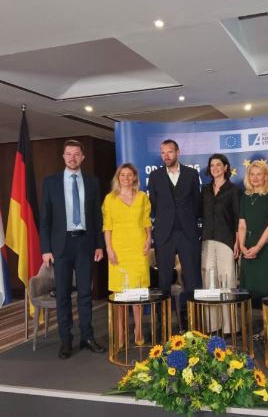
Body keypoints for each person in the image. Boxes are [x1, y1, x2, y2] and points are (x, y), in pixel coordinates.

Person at [40, 139, 105, 359]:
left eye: (76, 154)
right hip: (61, 245)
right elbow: (45, 218)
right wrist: (46, 249)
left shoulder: (92, 182)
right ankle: (66, 341)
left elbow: (96, 216)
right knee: (63, 295)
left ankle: (87, 337)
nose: (72, 158)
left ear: (82, 157)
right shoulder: (51, 182)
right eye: (68, 154)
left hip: (85, 243)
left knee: (85, 293)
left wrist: (99, 244)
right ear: (63, 156)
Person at [148, 139, 202, 327]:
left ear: (177, 152)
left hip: (188, 232)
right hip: (164, 233)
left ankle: (192, 320)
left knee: (192, 278)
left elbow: (196, 202)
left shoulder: (191, 174)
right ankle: (162, 323)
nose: (166, 156)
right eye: (163, 153)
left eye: (169, 152)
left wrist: (187, 219)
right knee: (163, 279)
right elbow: (154, 205)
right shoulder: (155, 176)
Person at [102, 163, 151, 347]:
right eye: (122, 175)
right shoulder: (110, 199)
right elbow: (107, 226)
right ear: (118, 178)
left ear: (135, 177)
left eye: (129, 175)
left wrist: (149, 239)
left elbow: (146, 222)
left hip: (139, 249)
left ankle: (138, 331)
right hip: (118, 250)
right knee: (120, 294)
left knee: (137, 293)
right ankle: (121, 334)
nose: (126, 178)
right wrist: (109, 249)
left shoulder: (142, 197)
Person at [238, 160, 268, 338]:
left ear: (266, 176)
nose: (255, 178)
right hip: (248, 249)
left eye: (259, 174)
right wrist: (242, 246)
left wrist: (257, 247)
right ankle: (259, 330)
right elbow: (242, 225)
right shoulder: (245, 197)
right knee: (252, 290)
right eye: (252, 174)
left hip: (266, 249)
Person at [200, 153, 241, 333]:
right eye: (212, 165)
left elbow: (239, 219)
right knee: (209, 281)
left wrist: (238, 242)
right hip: (207, 241)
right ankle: (212, 326)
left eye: (218, 165)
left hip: (226, 241)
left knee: (227, 281)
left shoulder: (234, 190)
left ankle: (229, 327)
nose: (215, 168)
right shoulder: (205, 190)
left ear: (225, 167)